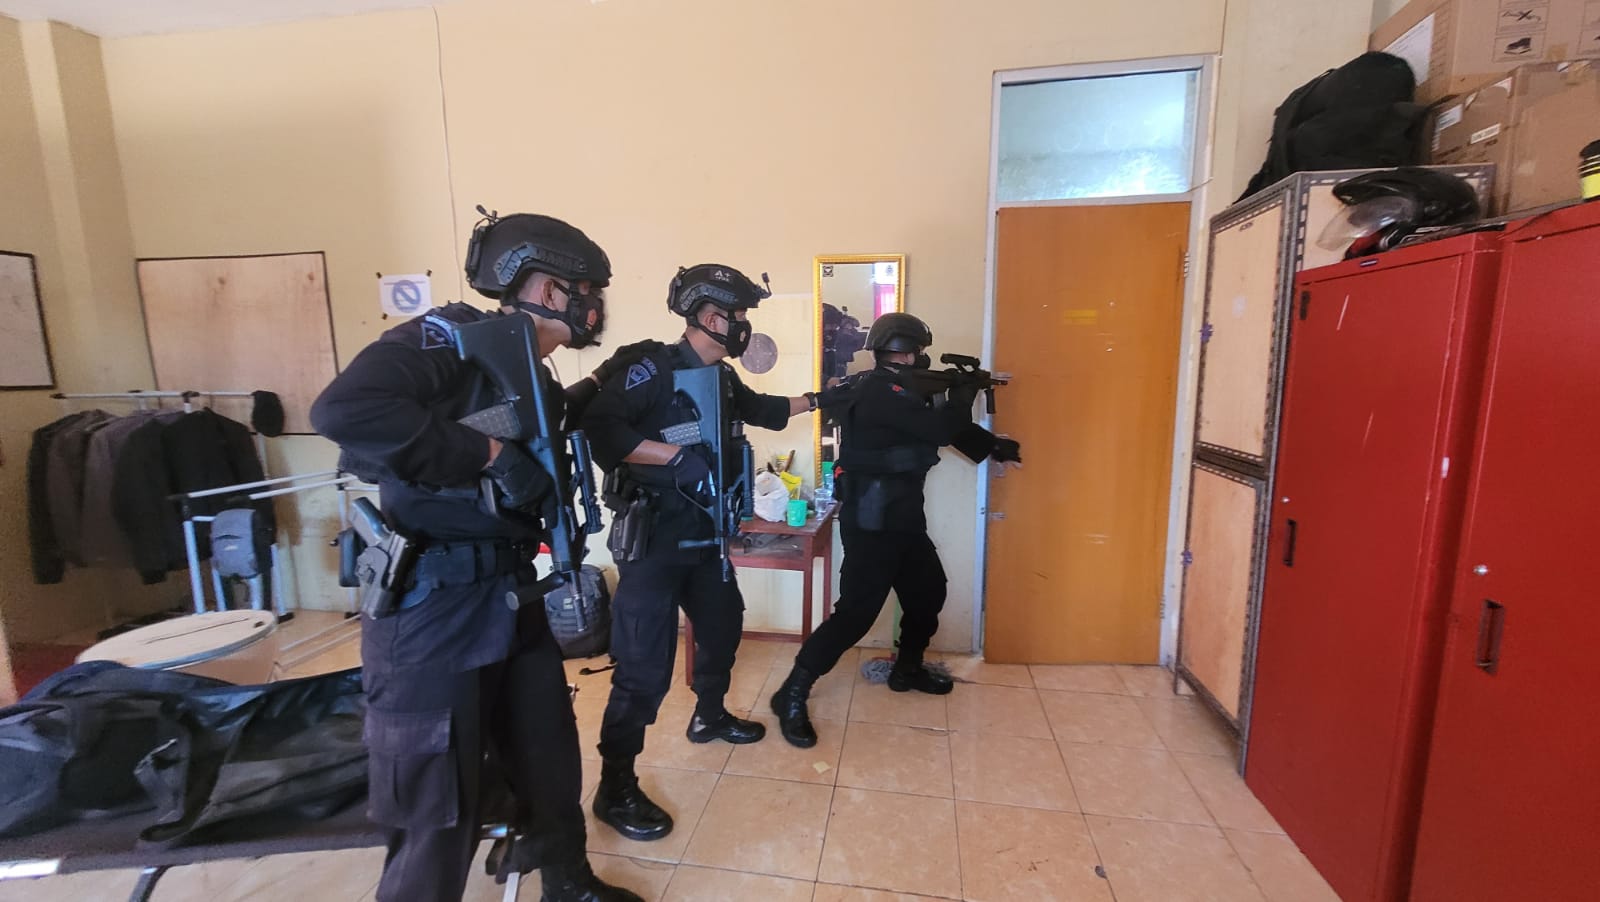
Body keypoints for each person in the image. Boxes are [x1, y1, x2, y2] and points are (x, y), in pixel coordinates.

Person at [309, 211, 650, 902]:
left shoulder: (533, 376)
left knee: (549, 764)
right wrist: (487, 454)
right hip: (432, 610)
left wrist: (599, 383)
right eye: (589, 291)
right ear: (550, 291)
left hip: (511, 599)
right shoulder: (448, 339)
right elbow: (344, 410)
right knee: (436, 809)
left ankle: (569, 885)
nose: (596, 306)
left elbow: (538, 431)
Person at [580, 263, 827, 842]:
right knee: (643, 666)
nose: (742, 326)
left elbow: (764, 410)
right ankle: (615, 786)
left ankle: (709, 716)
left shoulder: (722, 377)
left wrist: (822, 398)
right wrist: (671, 456)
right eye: (737, 315)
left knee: (722, 625)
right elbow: (601, 430)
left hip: (705, 534)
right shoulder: (651, 369)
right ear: (710, 317)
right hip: (653, 540)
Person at [768, 312, 1022, 748]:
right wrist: (962, 396)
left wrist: (992, 447)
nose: (922, 358)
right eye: (919, 351)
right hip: (871, 522)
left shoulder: (902, 391)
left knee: (928, 592)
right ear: (907, 351)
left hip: (903, 516)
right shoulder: (878, 391)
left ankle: (907, 668)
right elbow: (939, 428)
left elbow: (936, 427)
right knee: (856, 614)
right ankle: (791, 693)